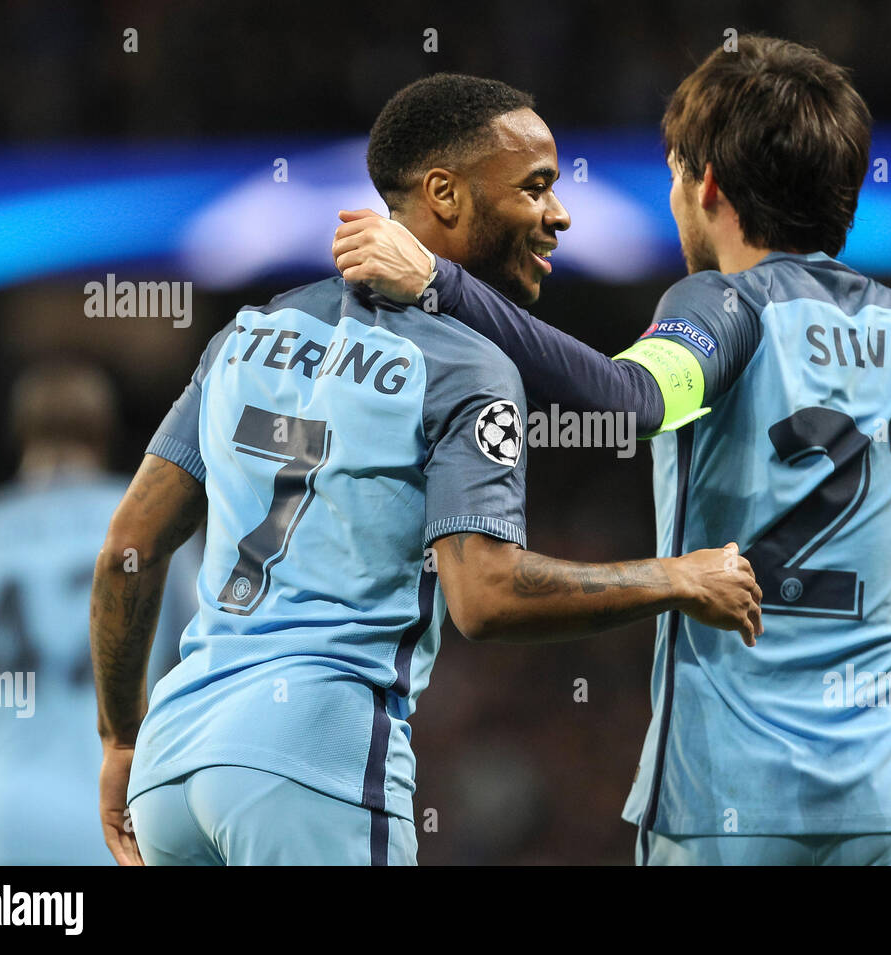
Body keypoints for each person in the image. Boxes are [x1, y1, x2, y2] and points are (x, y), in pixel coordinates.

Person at [333, 36, 891, 866]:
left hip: (726, 805)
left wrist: (441, 281)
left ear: (707, 182)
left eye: (676, 172)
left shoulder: (724, 307)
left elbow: (628, 399)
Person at [94, 74, 762, 868]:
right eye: (536, 187)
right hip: (315, 755)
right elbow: (485, 593)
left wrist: (121, 737)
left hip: (175, 758)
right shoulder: (468, 365)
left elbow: (127, 549)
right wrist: (677, 579)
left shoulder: (245, 335)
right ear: (444, 193)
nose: (561, 213)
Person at [0, 361, 196, 864]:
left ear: (17, 431)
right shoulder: (164, 526)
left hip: (10, 810)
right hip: (127, 810)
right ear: (105, 429)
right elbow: (191, 678)